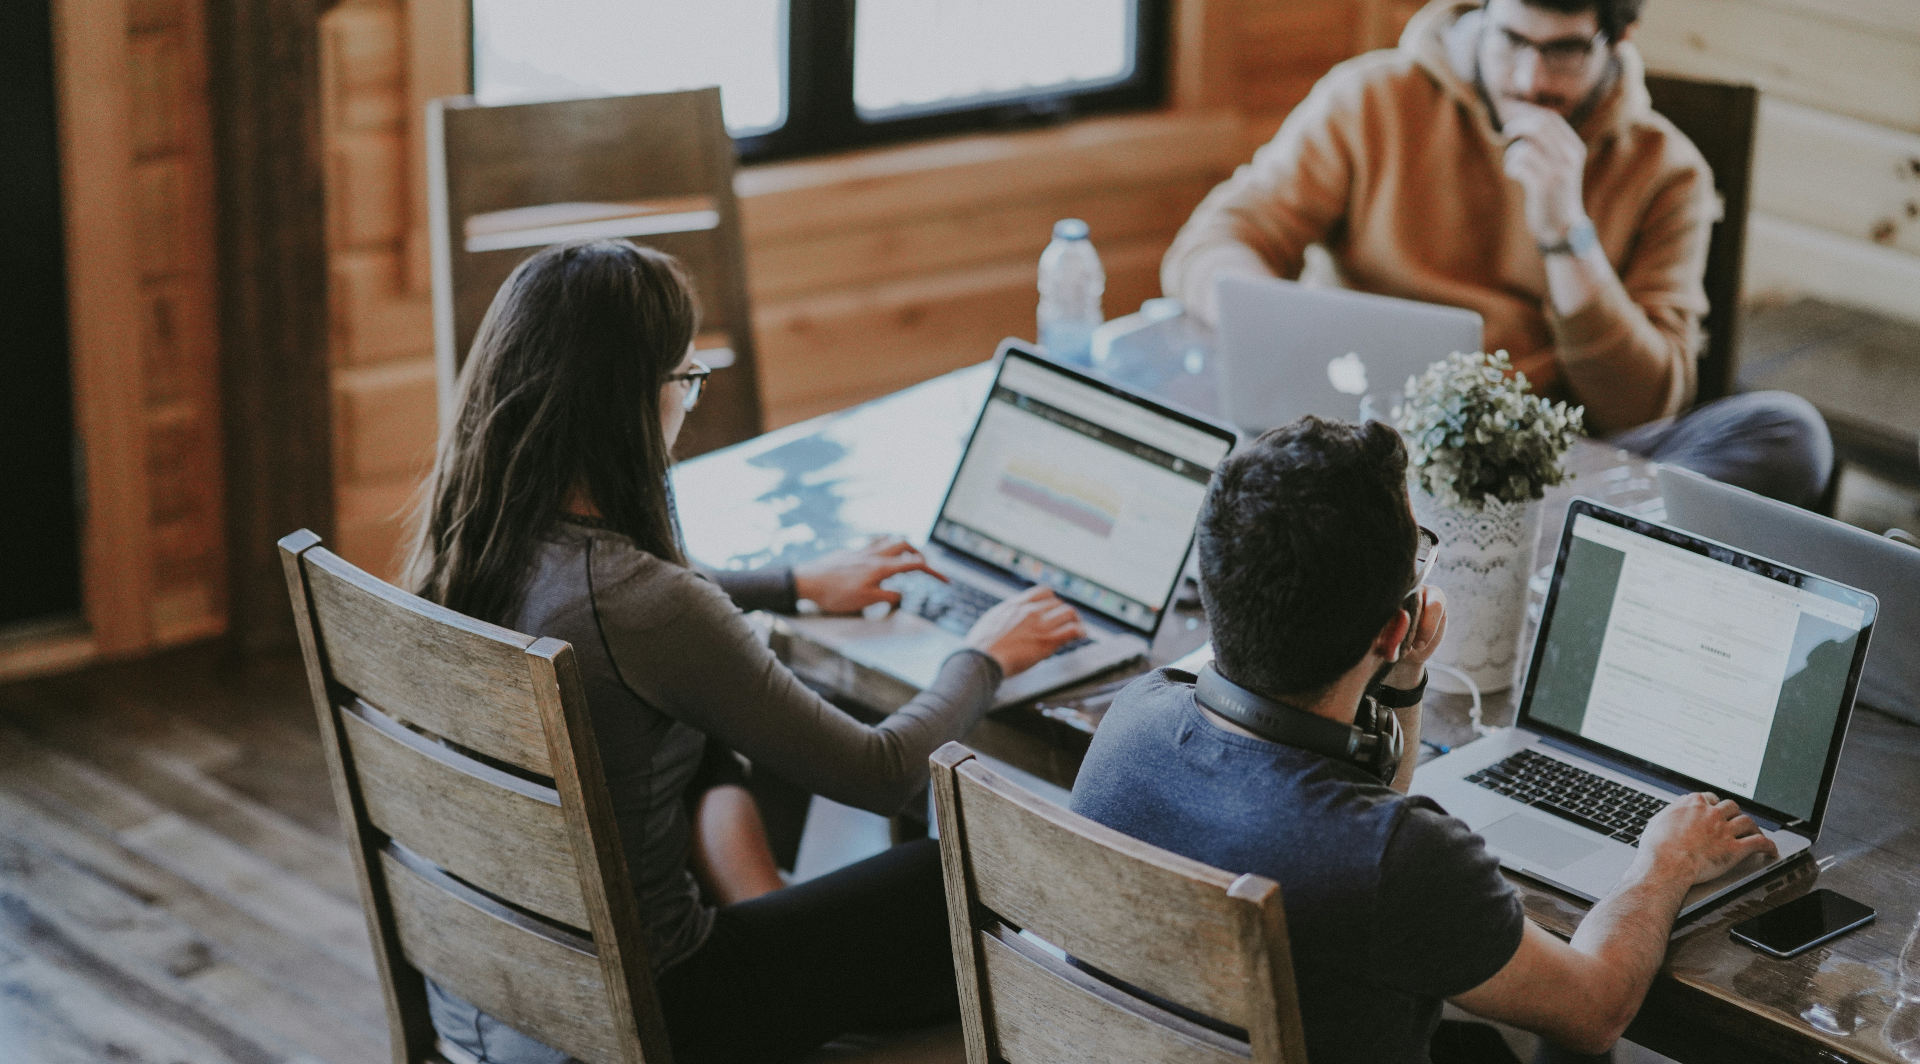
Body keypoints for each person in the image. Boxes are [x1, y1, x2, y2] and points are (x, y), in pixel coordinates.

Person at [403, 238, 1086, 1064]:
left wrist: (793, 580)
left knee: (709, 750)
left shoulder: (470, 541)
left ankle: (774, 916)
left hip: (486, 990)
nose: (690, 402)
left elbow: (650, 605)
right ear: (630, 401)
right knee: (941, 877)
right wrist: (984, 655)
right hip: (654, 1015)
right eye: (686, 380)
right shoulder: (643, 605)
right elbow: (880, 773)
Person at [1069, 416, 1778, 1064]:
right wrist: (1664, 863)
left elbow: (1343, 821)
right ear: (1392, 626)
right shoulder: (1400, 859)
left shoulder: (1130, 722)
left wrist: (1401, 679)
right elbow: (1594, 1009)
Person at [1162, 0, 1832, 509]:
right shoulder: (1371, 98)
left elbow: (1646, 405)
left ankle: (1531, 558)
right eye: (1512, 39)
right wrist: (1291, 330)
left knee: (1789, 433)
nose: (1530, 79)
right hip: (1363, 440)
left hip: (1549, 472)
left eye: (1565, 51)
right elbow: (1212, 244)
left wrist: (1566, 233)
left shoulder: (1668, 172)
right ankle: (1532, 562)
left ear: (1617, 38)